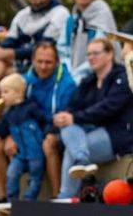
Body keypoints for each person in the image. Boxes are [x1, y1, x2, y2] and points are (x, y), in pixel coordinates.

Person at [55, 37, 133, 199]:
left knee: (72, 149)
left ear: (110, 54)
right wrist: (64, 117)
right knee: (67, 126)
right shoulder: (88, 81)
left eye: (96, 53)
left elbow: (108, 108)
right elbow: (72, 106)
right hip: (88, 132)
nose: (91, 57)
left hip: (116, 134)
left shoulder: (123, 77)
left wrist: (74, 117)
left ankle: (65, 197)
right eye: (88, 54)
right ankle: (81, 160)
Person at [18, 39, 77, 197]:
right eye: (39, 62)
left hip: (55, 129)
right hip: (32, 128)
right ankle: (8, 198)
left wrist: (47, 131)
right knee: (1, 143)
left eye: (48, 62)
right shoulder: (24, 82)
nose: (43, 67)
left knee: (49, 143)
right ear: (32, 61)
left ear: (57, 62)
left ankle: (57, 195)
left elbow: (61, 118)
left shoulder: (67, 84)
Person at [0, 73, 49, 201]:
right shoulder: (8, 114)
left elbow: (44, 122)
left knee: (35, 177)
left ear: (18, 93)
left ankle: (29, 200)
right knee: (12, 174)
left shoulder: (31, 108)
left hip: (36, 153)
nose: (2, 96)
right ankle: (12, 201)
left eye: (6, 92)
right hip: (20, 154)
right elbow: (3, 132)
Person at [63, 0, 117, 79]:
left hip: (99, 71)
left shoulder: (101, 14)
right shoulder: (72, 19)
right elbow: (63, 48)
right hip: (72, 72)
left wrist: (79, 73)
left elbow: (101, 48)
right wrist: (68, 68)